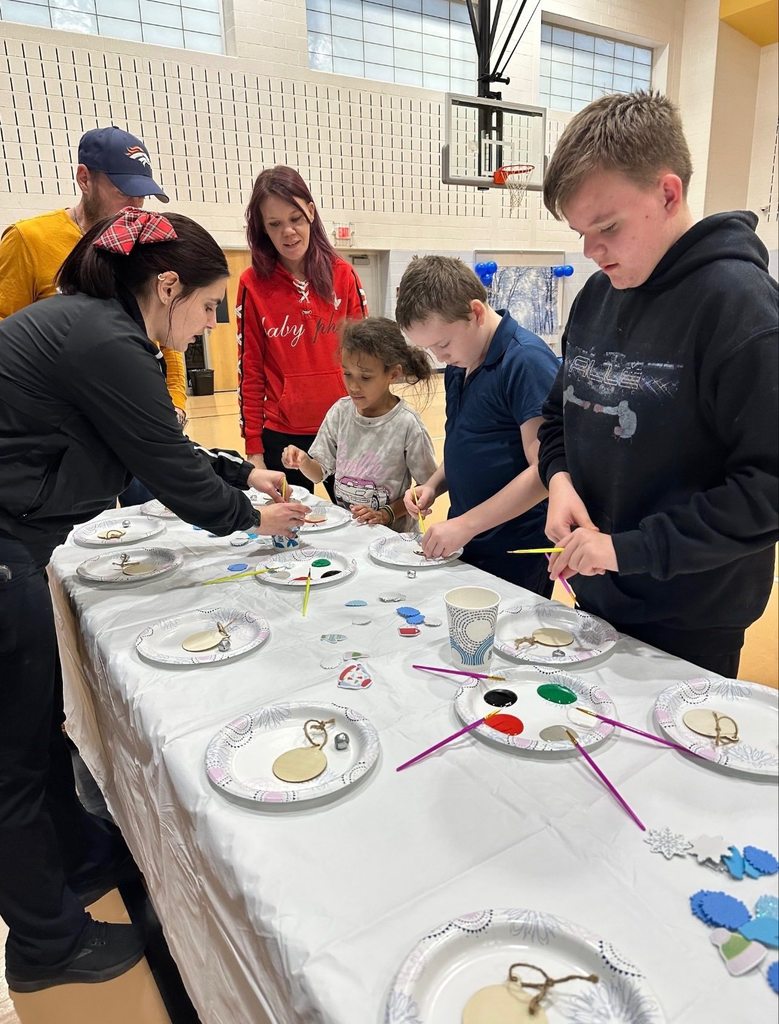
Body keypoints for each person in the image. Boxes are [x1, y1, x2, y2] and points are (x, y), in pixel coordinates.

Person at [0, 207, 308, 993]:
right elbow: (169, 469)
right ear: (167, 285)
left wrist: (242, 476)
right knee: (12, 762)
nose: (208, 327)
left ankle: (74, 860)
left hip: (18, 542)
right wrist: (251, 517)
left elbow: (146, 449)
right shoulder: (109, 339)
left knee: (38, 733)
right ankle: (44, 944)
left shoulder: (91, 327)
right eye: (208, 307)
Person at [538, 90, 778, 676]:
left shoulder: (741, 308)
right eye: (580, 234)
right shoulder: (597, 295)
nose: (592, 252)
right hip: (593, 595)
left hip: (690, 620)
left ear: (667, 193)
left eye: (607, 227)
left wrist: (628, 550)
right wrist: (560, 482)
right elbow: (555, 420)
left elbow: (767, 492)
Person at [0, 125, 189, 428]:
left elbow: (166, 333)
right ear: (84, 178)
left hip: (133, 425)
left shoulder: (144, 247)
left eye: (143, 195)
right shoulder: (28, 239)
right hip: (58, 433)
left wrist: (175, 405)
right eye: (124, 191)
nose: (136, 205)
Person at [397, 256, 559, 596]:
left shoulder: (525, 361)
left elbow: (545, 472)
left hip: (515, 548)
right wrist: (434, 485)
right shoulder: (463, 360)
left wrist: (466, 525)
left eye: (442, 344)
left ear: (476, 312)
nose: (439, 358)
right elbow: (468, 442)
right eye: (429, 349)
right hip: (470, 539)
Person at [237, 166, 368, 497]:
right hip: (282, 437)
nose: (288, 232)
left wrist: (372, 426)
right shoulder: (251, 285)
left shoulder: (344, 276)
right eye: (275, 224)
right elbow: (250, 372)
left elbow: (368, 361)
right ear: (262, 229)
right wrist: (254, 450)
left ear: (310, 210)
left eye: (295, 218)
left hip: (344, 430)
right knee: (287, 535)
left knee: (359, 528)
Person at [281, 317, 437, 530]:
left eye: (365, 377)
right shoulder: (340, 412)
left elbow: (428, 488)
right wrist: (303, 461)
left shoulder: (407, 425)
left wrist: (386, 514)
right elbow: (318, 474)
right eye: (347, 374)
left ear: (393, 374)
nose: (353, 386)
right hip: (348, 534)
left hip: (392, 539)